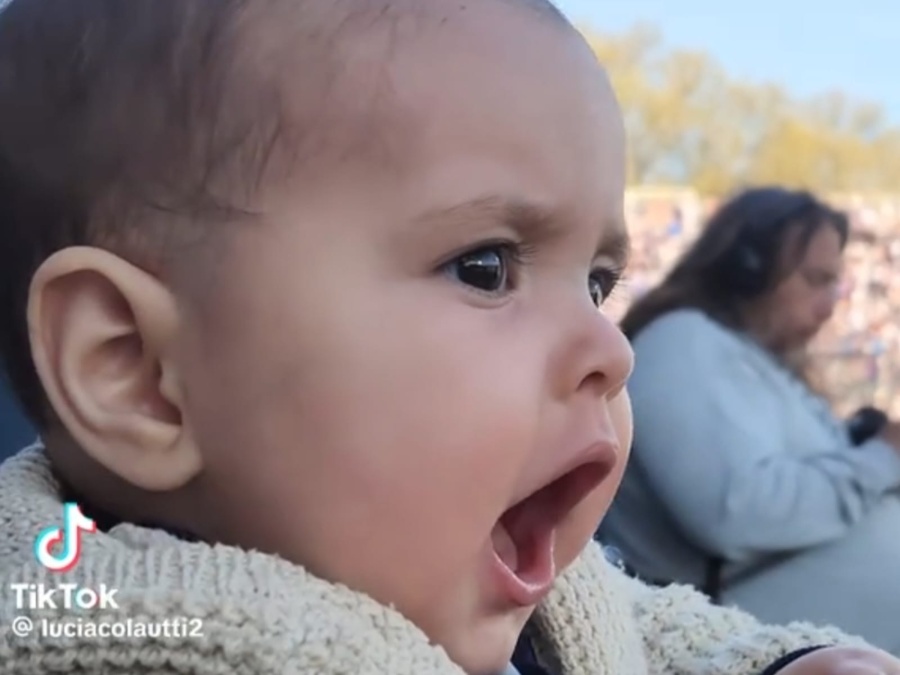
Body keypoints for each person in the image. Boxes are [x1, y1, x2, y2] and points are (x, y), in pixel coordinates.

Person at [0, 3, 897, 673]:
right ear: (136, 372)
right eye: (486, 267)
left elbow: (636, 624)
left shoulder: (447, 570)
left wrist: (774, 665)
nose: (612, 348)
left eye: (597, 283)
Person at [600, 186, 900, 654]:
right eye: (815, 280)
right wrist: (883, 455)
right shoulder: (681, 343)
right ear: (747, 269)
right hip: (736, 636)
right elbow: (735, 514)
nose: (829, 306)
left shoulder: (753, 358)